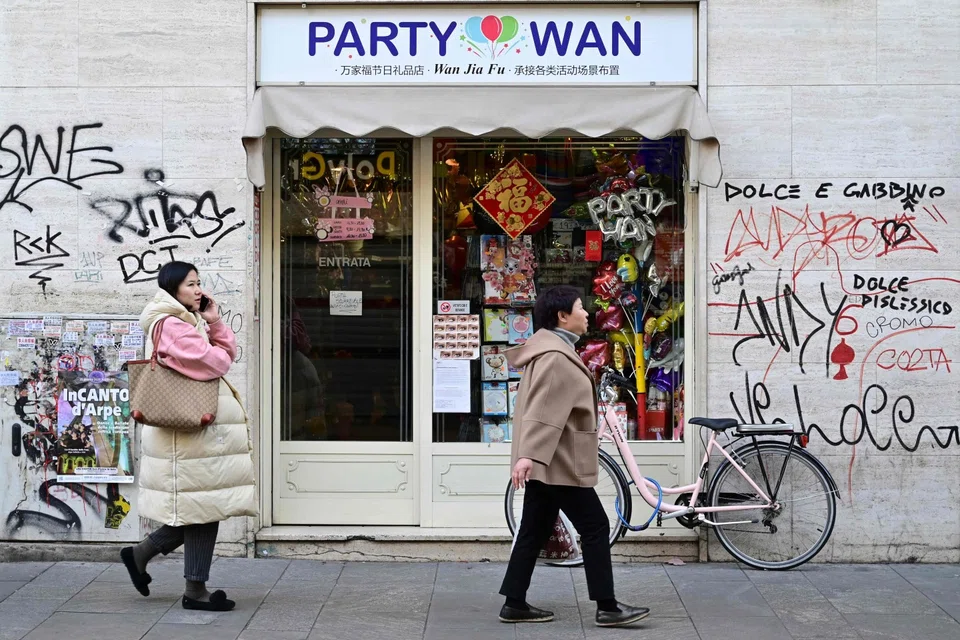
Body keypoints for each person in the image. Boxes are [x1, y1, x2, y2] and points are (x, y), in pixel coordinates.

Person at [498, 285, 650, 628]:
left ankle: (514, 602)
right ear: (562, 316)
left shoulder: (552, 350)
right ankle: (607, 606)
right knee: (595, 526)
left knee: (532, 531)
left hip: (550, 459)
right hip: (558, 461)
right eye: (581, 307)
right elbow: (544, 411)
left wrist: (529, 456)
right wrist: (529, 456)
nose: (587, 313)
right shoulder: (556, 357)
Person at [120, 261, 257, 612]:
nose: (198, 290)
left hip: (195, 432)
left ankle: (144, 557)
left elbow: (224, 355)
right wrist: (209, 332)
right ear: (172, 289)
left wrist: (213, 321)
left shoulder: (187, 320)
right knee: (200, 508)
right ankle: (191, 589)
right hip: (185, 434)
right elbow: (216, 363)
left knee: (202, 508)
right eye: (190, 285)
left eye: (199, 283)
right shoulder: (170, 325)